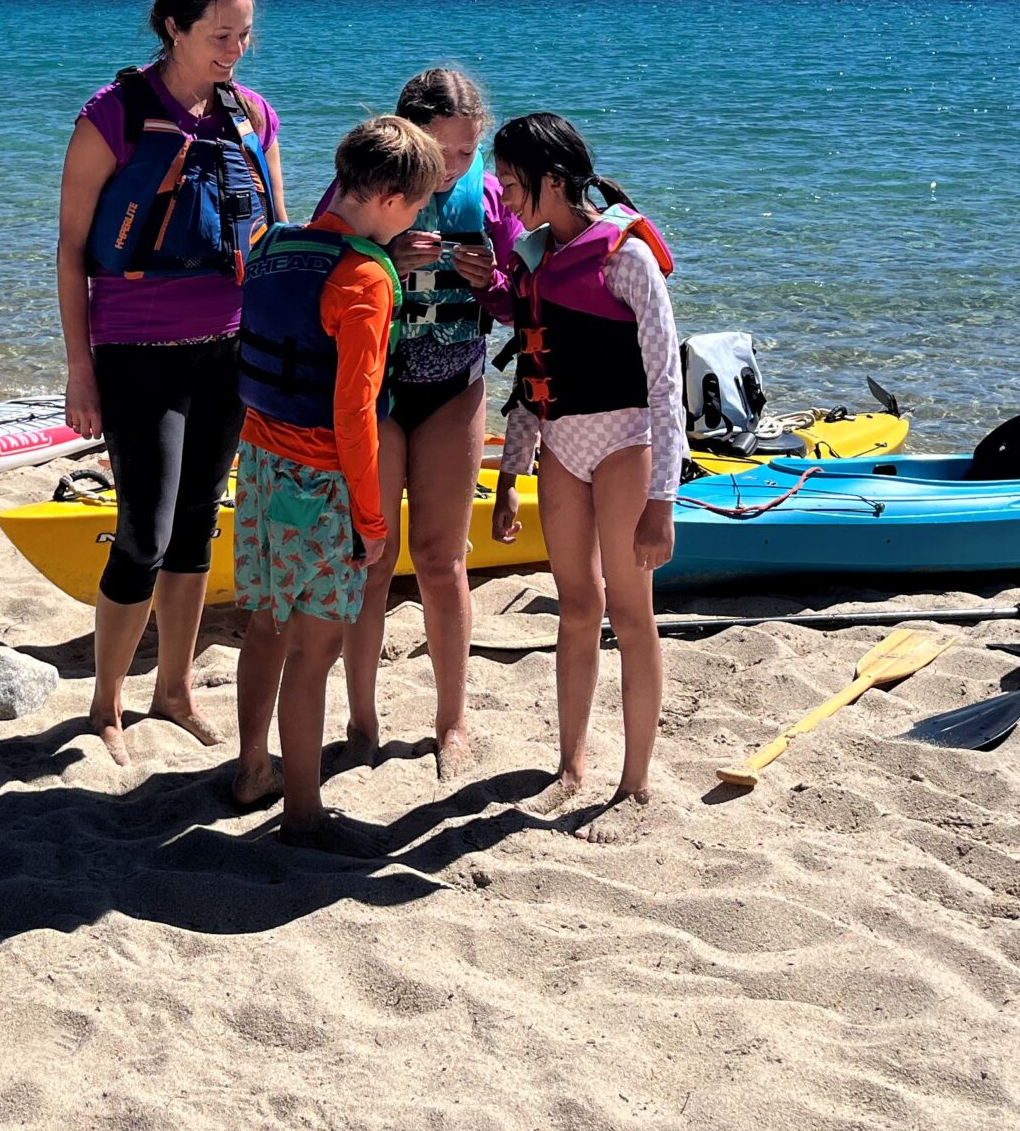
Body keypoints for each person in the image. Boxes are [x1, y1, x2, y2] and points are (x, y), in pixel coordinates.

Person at [56, 0, 281, 763]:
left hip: (229, 351)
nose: (236, 49)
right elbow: (72, 248)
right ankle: (106, 703)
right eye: (221, 34)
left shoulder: (253, 117)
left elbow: (275, 242)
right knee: (143, 532)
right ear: (173, 26)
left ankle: (175, 688)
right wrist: (80, 369)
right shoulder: (112, 114)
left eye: (246, 34)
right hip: (135, 350)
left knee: (197, 526)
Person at [226, 116, 443, 845]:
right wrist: (373, 518)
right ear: (386, 197)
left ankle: (252, 767)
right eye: (414, 206)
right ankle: (303, 809)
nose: (415, 221)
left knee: (265, 623)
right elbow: (354, 414)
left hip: (255, 464)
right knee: (315, 651)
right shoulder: (363, 279)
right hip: (320, 481)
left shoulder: (272, 244)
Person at [316, 68, 520, 779]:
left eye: (469, 153)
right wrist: (383, 260)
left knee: (441, 560)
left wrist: (487, 280)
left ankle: (452, 722)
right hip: (380, 391)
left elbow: (519, 299)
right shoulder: (371, 183)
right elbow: (316, 272)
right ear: (407, 139)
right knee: (370, 561)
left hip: (454, 386)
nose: (457, 167)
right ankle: (362, 722)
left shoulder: (484, 194)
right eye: (447, 153)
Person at [488, 113, 681, 844]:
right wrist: (511, 474)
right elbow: (534, 374)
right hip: (561, 449)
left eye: (512, 185)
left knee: (630, 614)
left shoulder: (623, 258)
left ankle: (633, 784)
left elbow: (666, 387)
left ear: (554, 180)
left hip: (627, 443)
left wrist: (662, 500)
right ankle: (570, 766)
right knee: (575, 605)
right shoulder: (535, 258)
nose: (504, 200)